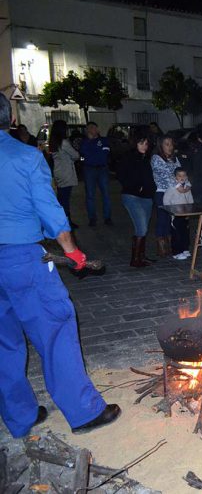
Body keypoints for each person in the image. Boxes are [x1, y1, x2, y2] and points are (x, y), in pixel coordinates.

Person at [0, 94, 120, 438]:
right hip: (21, 258)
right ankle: (84, 412)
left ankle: (19, 416)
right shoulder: (25, 157)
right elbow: (51, 212)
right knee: (56, 327)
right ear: (10, 119)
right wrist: (75, 254)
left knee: (4, 341)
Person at [117, 129, 156, 268]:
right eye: (141, 143)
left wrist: (151, 189)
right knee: (142, 227)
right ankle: (135, 259)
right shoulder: (128, 157)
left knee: (143, 227)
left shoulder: (146, 157)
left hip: (147, 197)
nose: (144, 146)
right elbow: (121, 176)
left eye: (146, 143)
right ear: (135, 143)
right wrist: (136, 187)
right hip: (132, 196)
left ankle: (141, 256)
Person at [151, 135, 181, 257]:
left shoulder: (174, 158)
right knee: (162, 218)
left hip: (174, 192)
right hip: (162, 191)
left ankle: (169, 244)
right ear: (161, 146)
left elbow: (181, 173)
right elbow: (166, 176)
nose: (170, 147)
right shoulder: (156, 158)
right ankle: (161, 245)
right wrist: (180, 184)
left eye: (171, 144)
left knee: (170, 219)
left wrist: (184, 183)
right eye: (166, 144)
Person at [79, 121, 113, 227]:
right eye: (89, 128)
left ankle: (107, 217)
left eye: (93, 127)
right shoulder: (84, 142)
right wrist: (91, 143)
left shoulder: (104, 140)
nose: (91, 130)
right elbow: (83, 152)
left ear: (98, 130)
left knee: (106, 194)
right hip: (89, 169)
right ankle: (92, 218)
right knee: (90, 195)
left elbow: (104, 153)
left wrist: (92, 150)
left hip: (102, 169)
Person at [48, 120, 79, 229]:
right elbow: (75, 155)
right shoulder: (64, 142)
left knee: (61, 198)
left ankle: (64, 221)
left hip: (59, 172)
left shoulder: (53, 141)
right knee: (64, 199)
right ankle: (66, 223)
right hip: (66, 173)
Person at [163, 167, 194, 260]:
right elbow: (166, 201)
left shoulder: (187, 188)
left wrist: (190, 211)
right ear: (175, 177)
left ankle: (185, 248)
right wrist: (171, 211)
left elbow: (190, 200)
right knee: (177, 233)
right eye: (179, 176)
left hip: (185, 214)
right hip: (175, 215)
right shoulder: (172, 188)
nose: (182, 177)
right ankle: (177, 252)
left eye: (184, 175)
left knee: (185, 232)